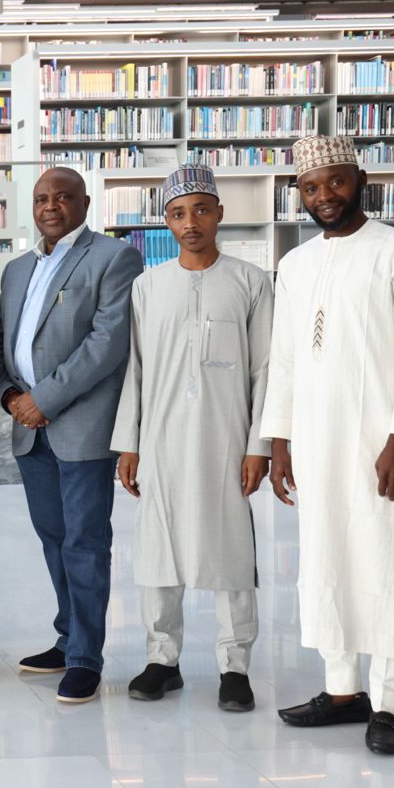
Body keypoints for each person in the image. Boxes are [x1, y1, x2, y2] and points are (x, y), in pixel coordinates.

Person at [264, 135, 394, 756]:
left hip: (377, 442)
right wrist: (278, 440)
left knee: (387, 561)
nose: (324, 196)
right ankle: (341, 691)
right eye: (311, 187)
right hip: (313, 440)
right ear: (299, 194)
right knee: (325, 557)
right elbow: (284, 358)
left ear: (360, 180)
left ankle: (389, 704)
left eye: (335, 182)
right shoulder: (295, 264)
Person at [111, 164, 272, 713]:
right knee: (159, 549)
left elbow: (265, 370)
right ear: (166, 221)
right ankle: (162, 659)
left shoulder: (251, 282)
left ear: (220, 213)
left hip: (226, 440)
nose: (191, 222)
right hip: (160, 439)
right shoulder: (147, 286)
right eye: (179, 213)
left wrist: (258, 445)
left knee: (231, 552)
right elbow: (134, 369)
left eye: (201, 210)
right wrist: (129, 443)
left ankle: (235, 666)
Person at [0, 166, 143, 704]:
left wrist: (43, 399)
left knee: (85, 542)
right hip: (29, 430)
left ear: (84, 203)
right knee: (53, 538)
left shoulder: (114, 258)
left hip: (81, 428)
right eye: (41, 198)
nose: (50, 206)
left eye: (62, 197)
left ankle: (85, 658)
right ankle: (67, 636)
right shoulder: (17, 269)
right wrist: (11, 396)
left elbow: (107, 342)